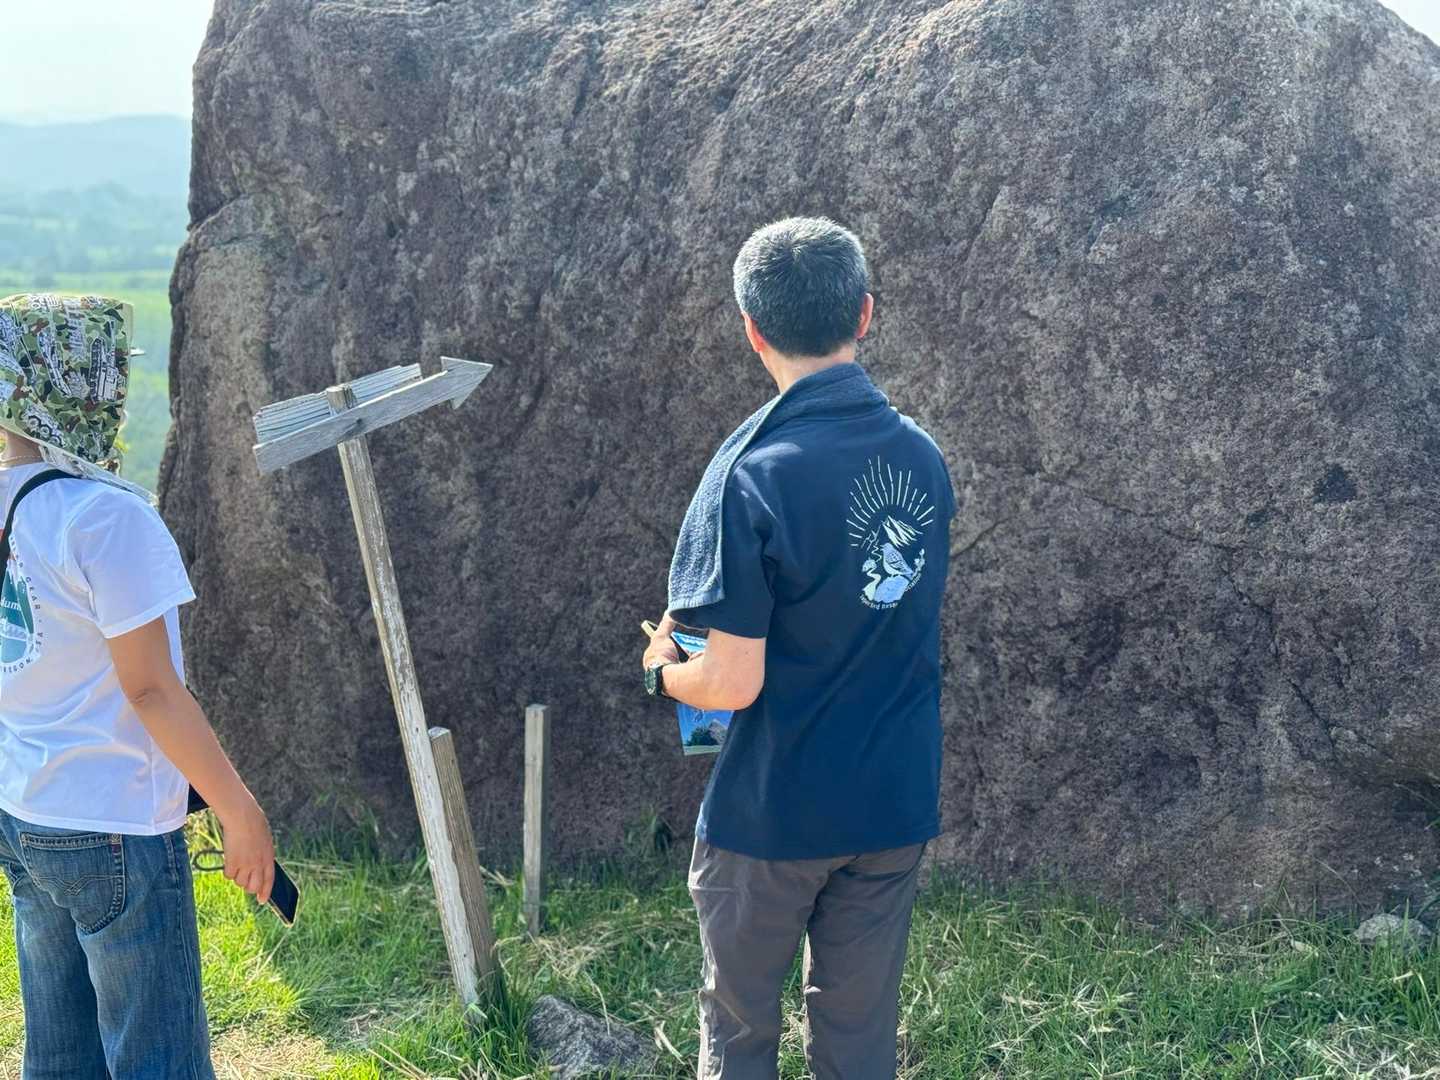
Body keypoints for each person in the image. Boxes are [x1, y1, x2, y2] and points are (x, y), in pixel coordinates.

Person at [643, 219, 955, 1079]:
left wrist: (663, 673)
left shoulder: (754, 473)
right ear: (865, 313)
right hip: (891, 799)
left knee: (740, 1033)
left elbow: (730, 682)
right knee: (859, 1039)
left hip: (773, 813)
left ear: (753, 331)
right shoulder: (923, 459)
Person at [0, 293, 274, 1079]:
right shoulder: (106, 517)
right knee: (158, 1057)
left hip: (24, 811)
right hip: (112, 821)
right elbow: (151, 691)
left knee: (60, 1055)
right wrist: (239, 811)